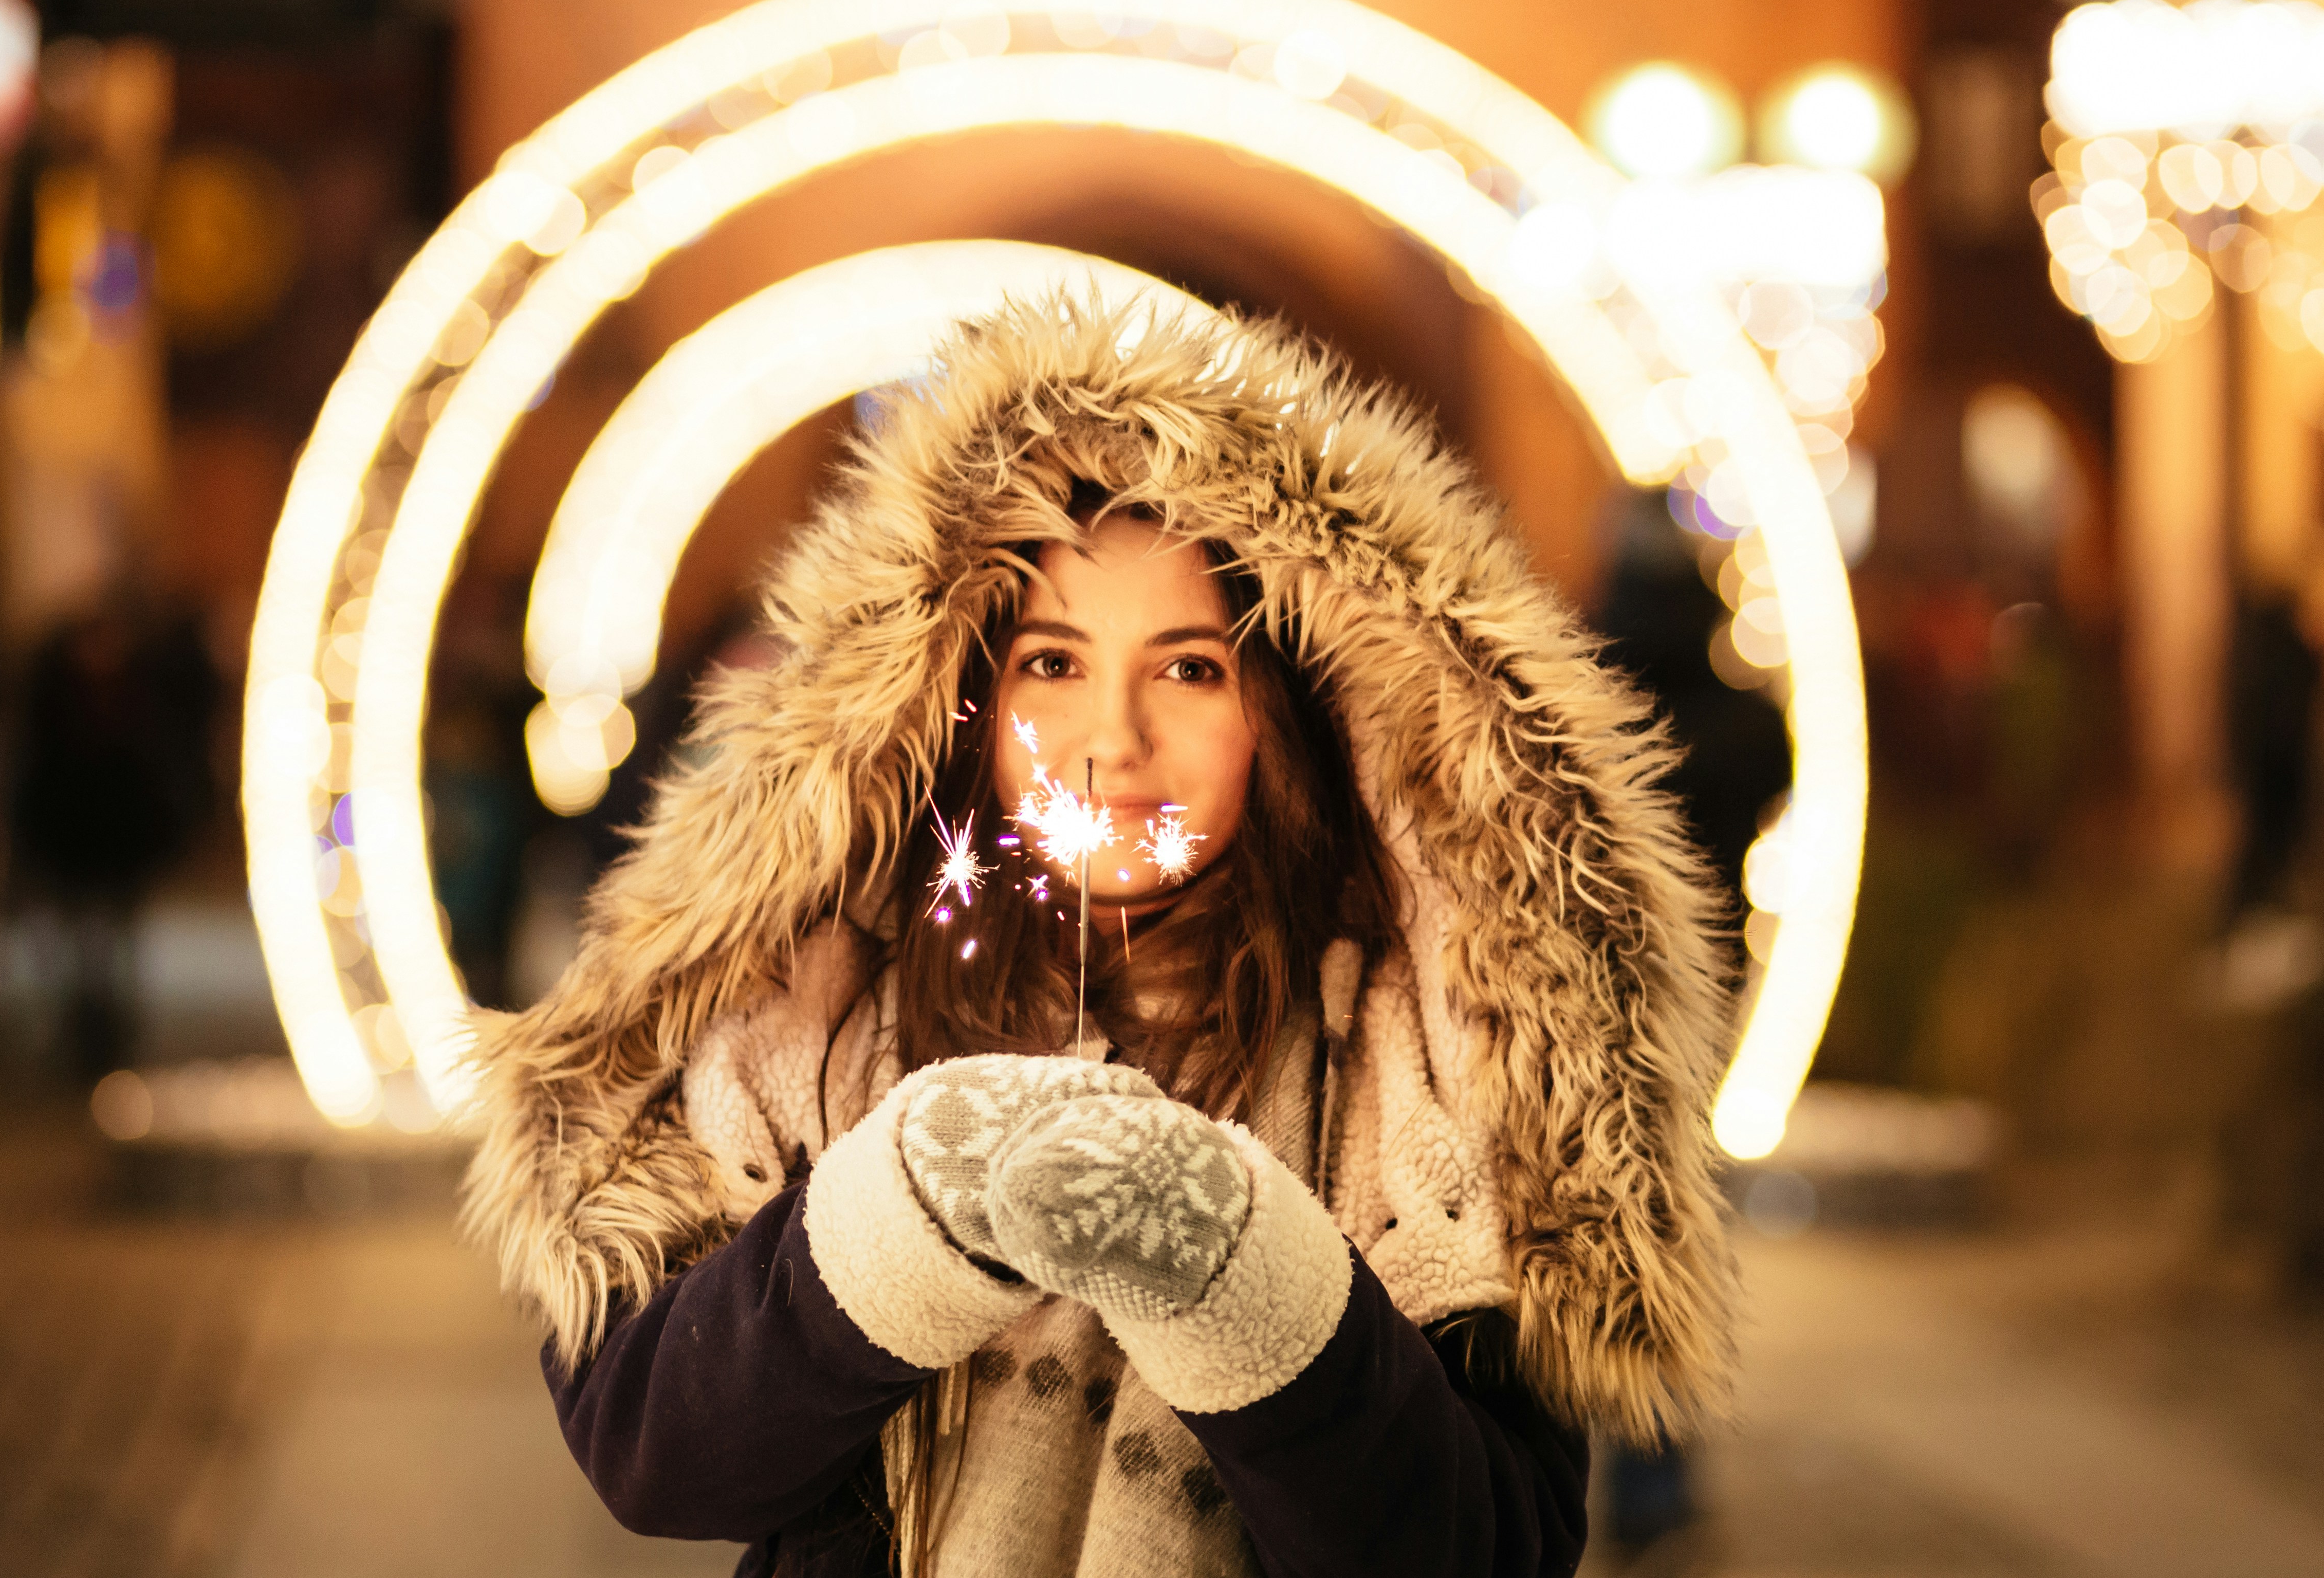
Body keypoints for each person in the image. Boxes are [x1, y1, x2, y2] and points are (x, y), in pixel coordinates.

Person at [463, 299, 1740, 1576]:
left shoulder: (1429, 1049)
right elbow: (657, 1452)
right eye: (1053, 664)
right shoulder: (820, 994)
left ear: (1283, 708)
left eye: (1188, 669)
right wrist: (911, 1203)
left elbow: (1483, 1549)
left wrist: (1232, 1261)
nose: (1112, 740)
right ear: (968, 692)